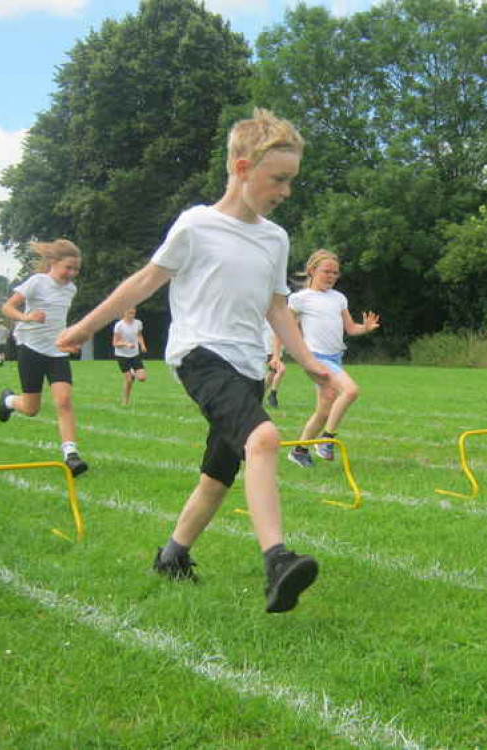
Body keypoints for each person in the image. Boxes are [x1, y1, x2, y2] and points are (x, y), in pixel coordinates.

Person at [56, 108, 330, 614]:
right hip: (199, 354)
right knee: (264, 438)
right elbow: (143, 282)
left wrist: (308, 359)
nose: (287, 191)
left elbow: (276, 307)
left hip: (248, 364)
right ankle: (277, 560)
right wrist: (83, 327)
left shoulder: (276, 237)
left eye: (291, 180)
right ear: (243, 168)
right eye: (280, 179)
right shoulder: (196, 225)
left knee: (218, 475)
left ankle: (172, 556)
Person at [0, 240, 88, 477]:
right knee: (31, 408)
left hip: (56, 351)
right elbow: (7, 308)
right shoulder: (37, 282)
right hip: (30, 348)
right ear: (53, 263)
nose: (72, 273)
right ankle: (7, 401)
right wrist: (26, 317)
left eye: (76, 269)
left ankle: (71, 455)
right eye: (68, 268)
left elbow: (59, 321)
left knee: (64, 400)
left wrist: (70, 340)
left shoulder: (71, 289)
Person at [286, 249, 380, 468]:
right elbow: (285, 329)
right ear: (312, 271)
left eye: (335, 273)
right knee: (350, 390)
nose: (331, 276)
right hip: (316, 358)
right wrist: (278, 355)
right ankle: (327, 440)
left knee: (324, 410)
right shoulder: (300, 299)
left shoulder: (339, 298)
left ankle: (299, 450)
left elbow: (350, 328)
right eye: (326, 271)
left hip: (335, 357)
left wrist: (364, 328)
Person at [113, 307, 148, 406]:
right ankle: (125, 401)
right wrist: (126, 344)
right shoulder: (119, 326)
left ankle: (132, 371)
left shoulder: (138, 323)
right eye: (130, 313)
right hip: (122, 355)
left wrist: (142, 345)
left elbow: (139, 335)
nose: (132, 316)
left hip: (134, 354)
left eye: (133, 313)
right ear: (124, 313)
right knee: (128, 380)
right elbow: (115, 343)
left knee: (142, 378)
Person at [263, 319, 286, 408]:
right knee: (281, 369)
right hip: (269, 351)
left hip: (277, 352)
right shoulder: (267, 319)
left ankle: (257, 394)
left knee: (271, 376)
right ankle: (272, 395)